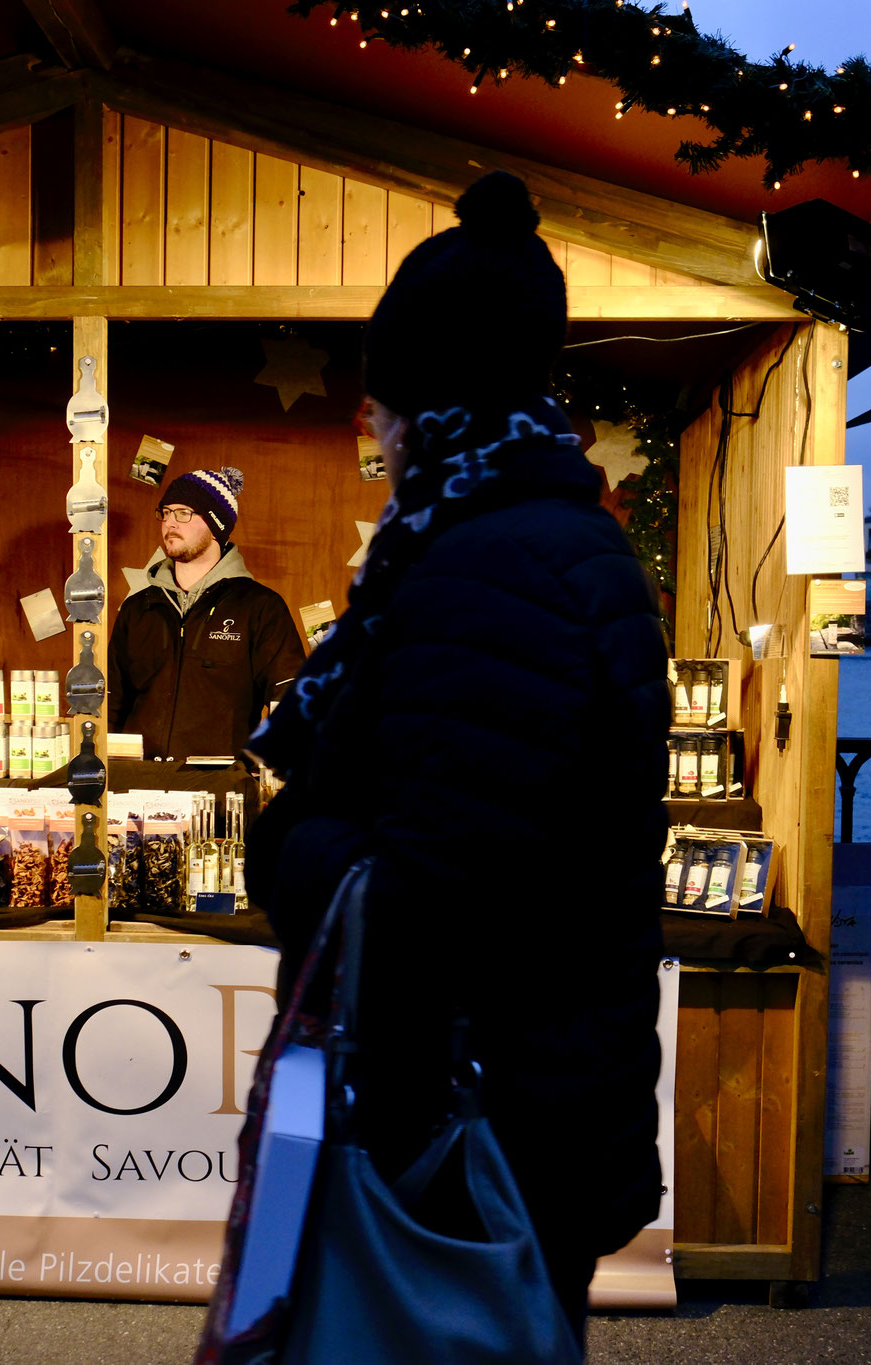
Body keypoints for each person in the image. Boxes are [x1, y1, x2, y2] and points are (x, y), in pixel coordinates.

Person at [241, 170, 670, 1349]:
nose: (370, 430)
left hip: (477, 1108)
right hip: (534, 1094)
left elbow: (438, 889)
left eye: (383, 404)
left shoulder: (486, 565)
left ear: (436, 406)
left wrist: (287, 843)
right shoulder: (540, 536)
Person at [109, 466, 308, 761]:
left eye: (184, 513)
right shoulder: (138, 608)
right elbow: (110, 702)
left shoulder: (260, 607)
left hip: (218, 791)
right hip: (135, 788)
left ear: (215, 524)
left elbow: (289, 697)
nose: (169, 523)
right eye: (165, 512)